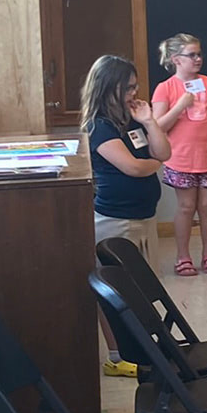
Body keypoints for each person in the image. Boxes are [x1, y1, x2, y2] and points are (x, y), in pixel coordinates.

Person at [82, 54, 170, 377]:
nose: (134, 93)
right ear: (109, 88)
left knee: (143, 287)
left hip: (144, 219)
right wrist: (154, 165)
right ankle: (118, 355)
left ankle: (142, 345)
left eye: (135, 86)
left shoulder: (133, 120)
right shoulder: (99, 127)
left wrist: (149, 121)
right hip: (114, 220)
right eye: (127, 88)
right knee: (115, 290)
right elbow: (133, 167)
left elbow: (164, 152)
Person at [149, 33, 207, 276]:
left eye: (199, 54)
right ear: (176, 59)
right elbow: (158, 126)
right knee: (186, 207)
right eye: (191, 55)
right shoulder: (165, 88)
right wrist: (181, 105)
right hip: (181, 159)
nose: (198, 59)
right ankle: (183, 257)